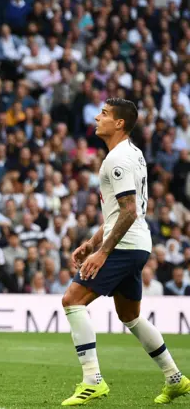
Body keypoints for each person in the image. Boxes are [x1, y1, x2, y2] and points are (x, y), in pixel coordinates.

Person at [61, 98, 189, 406]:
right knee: (130, 315)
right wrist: (92, 243)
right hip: (137, 244)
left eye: (104, 114)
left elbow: (129, 211)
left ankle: (92, 380)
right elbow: (124, 212)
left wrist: (102, 252)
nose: (97, 117)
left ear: (119, 123)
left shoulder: (116, 160)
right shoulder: (133, 154)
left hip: (125, 245)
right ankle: (175, 379)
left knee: (72, 301)